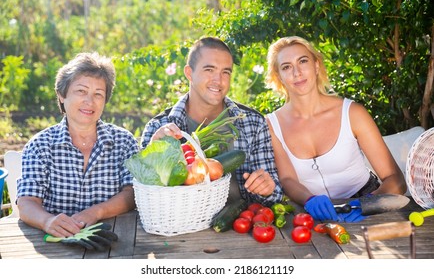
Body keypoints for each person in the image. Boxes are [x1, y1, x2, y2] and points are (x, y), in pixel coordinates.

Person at [264, 36, 407, 222]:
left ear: (316, 66)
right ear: (279, 77)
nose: (297, 72)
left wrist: (368, 204)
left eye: (303, 61)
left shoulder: (353, 113)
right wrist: (310, 200)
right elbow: (288, 180)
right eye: (286, 67)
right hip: (310, 212)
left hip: (367, 206)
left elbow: (396, 180)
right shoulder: (271, 124)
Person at [141, 37, 283, 207]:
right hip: (181, 225)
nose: (219, 80)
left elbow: (275, 196)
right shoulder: (159, 127)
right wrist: (153, 151)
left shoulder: (253, 123)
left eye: (226, 72)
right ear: (189, 73)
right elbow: (145, 195)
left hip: (239, 227)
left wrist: (267, 187)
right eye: (209, 70)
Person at [16, 52, 138, 238]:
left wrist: (96, 212)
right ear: (62, 95)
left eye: (98, 94)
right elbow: (26, 202)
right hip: (54, 243)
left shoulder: (124, 142)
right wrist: (47, 221)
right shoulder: (40, 146)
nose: (89, 101)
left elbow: (131, 194)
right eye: (81, 91)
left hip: (114, 240)